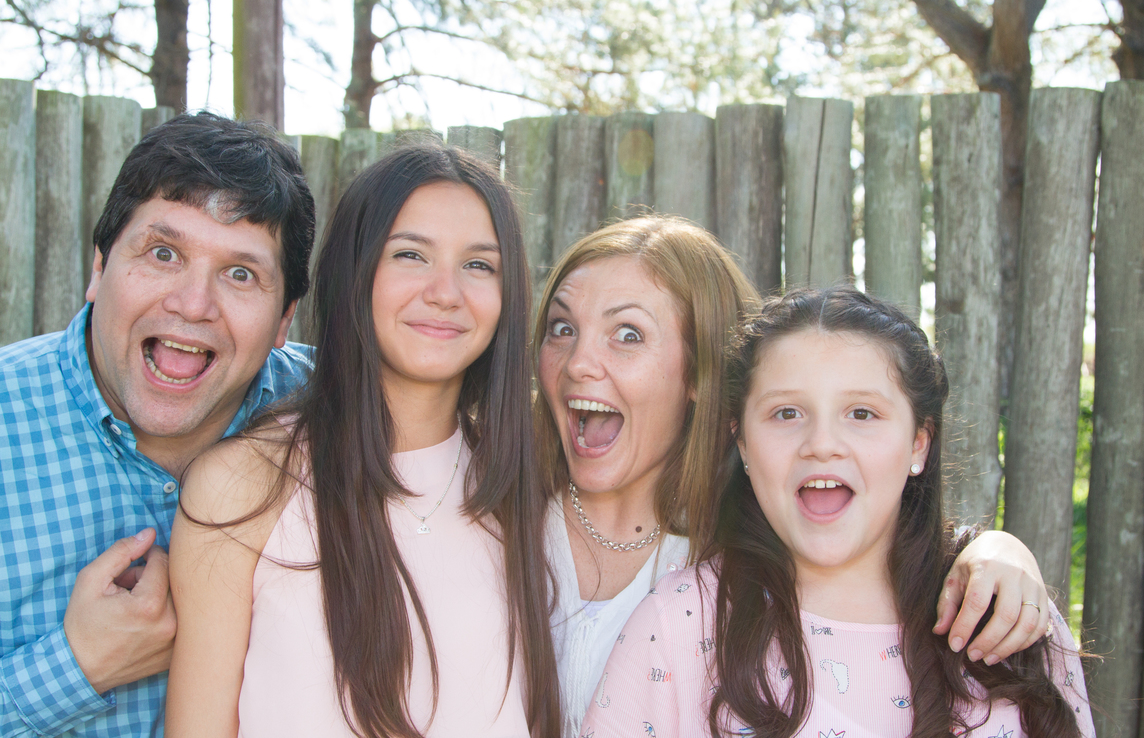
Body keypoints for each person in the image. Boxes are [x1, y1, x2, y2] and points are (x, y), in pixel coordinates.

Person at [533, 218, 1053, 737]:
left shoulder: (733, 539)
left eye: (628, 334)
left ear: (701, 374)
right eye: (561, 328)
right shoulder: (509, 532)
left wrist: (996, 552)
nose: (579, 363)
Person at [166, 145, 559, 738]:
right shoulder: (242, 484)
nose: (446, 292)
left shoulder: (526, 485)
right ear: (355, 271)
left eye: (479, 265)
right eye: (410, 255)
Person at [0, 113, 316, 738]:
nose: (193, 304)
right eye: (163, 253)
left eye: (240, 273)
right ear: (99, 268)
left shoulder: (342, 416)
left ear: (285, 319)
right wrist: (73, 668)